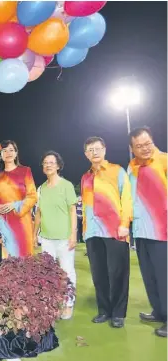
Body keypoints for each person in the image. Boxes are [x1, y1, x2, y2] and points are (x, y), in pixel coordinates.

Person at [81, 136, 132, 328]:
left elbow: (126, 197)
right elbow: (86, 206)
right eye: (90, 150)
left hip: (115, 230)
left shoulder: (117, 171)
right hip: (92, 232)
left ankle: (118, 313)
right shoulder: (85, 177)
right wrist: (85, 229)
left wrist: (125, 223)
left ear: (104, 149)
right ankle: (104, 310)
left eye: (97, 148)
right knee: (99, 274)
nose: (94, 152)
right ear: (86, 154)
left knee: (118, 273)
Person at [128, 127, 167, 337]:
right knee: (149, 276)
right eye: (139, 146)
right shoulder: (132, 166)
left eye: (148, 144)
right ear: (132, 148)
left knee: (165, 276)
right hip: (141, 230)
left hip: (162, 231)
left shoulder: (164, 160)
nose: (145, 149)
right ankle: (159, 311)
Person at [33, 151, 77, 320]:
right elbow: (38, 213)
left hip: (64, 237)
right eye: (45, 162)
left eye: (51, 162)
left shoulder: (66, 185)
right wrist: (34, 234)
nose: (48, 165)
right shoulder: (41, 188)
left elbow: (72, 210)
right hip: (46, 238)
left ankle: (68, 304)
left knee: (66, 271)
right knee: (48, 271)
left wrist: (73, 234)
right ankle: (51, 303)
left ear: (58, 166)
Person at [0, 140, 37, 257]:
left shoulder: (25, 171)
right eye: (4, 150)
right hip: (4, 223)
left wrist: (15, 205)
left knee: (23, 259)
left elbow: (33, 196)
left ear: (16, 153)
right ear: (0, 155)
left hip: (22, 222)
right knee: (6, 261)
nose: (8, 153)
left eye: (11, 150)